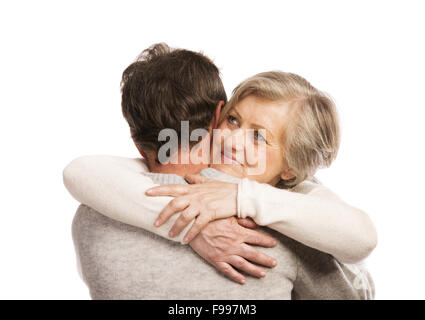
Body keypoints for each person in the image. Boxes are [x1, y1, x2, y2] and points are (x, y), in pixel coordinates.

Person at [63, 43, 376, 299]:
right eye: (234, 120)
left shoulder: (97, 210)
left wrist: (241, 196)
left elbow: (83, 171)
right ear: (217, 115)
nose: (233, 140)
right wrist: (193, 225)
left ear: (292, 172)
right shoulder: (286, 234)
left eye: (259, 136)